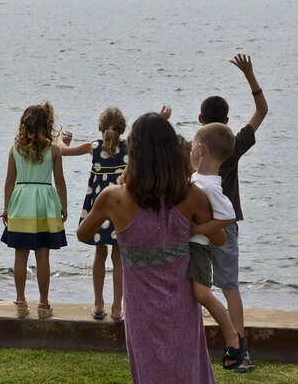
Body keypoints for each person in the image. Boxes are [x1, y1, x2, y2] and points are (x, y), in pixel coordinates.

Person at [79, 113, 222, 384]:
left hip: (141, 306)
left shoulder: (113, 197)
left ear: (133, 151)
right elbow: (219, 239)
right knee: (186, 366)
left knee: (149, 369)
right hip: (181, 301)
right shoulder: (191, 195)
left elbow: (83, 232)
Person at [201, 54, 267, 373]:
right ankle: (241, 350)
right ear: (227, 122)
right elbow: (261, 111)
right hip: (226, 226)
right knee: (230, 287)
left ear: (200, 119)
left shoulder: (195, 149)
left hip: (197, 225)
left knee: (196, 285)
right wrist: (250, 76)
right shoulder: (234, 145)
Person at [56, 107, 128, 322]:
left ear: (100, 127)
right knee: (119, 259)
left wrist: (61, 138)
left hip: (98, 206)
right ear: (122, 129)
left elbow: (60, 151)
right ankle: (117, 308)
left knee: (100, 254)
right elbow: (147, 135)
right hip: (121, 206)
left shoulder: (93, 147)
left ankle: (98, 305)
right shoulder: (129, 146)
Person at [0, 102, 68, 320]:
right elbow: (60, 182)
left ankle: (20, 302)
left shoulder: (15, 150)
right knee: (43, 254)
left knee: (20, 255)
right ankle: (44, 305)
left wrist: (6, 208)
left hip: (21, 201)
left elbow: (9, 182)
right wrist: (63, 207)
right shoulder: (54, 151)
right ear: (46, 126)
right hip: (44, 204)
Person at [187, 123, 247, 369]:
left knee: (202, 293)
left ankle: (233, 337)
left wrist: (197, 230)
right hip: (188, 247)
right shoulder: (196, 178)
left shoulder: (211, 185)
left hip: (199, 247)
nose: (190, 152)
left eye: (191, 148)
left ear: (200, 149)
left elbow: (228, 217)